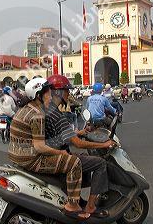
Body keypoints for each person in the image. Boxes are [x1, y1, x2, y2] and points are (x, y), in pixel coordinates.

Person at [8, 78, 90, 220]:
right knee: (74, 162)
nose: (51, 97)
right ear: (38, 95)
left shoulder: (24, 110)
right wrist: (61, 152)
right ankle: (72, 206)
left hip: (16, 156)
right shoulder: (38, 115)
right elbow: (39, 147)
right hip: (31, 159)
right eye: (48, 94)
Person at [45, 75, 117, 217]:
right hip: (60, 156)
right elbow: (77, 143)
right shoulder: (56, 113)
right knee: (100, 164)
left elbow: (63, 135)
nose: (68, 93)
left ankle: (77, 199)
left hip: (55, 153)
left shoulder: (49, 109)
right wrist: (104, 144)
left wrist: (81, 132)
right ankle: (90, 206)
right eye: (66, 91)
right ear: (58, 92)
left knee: (84, 159)